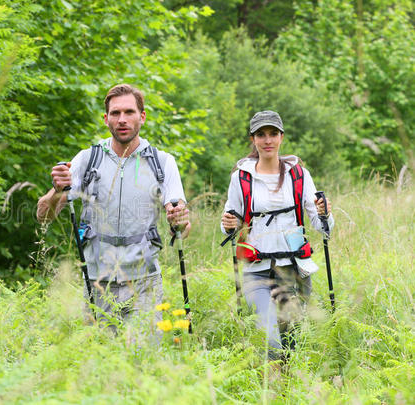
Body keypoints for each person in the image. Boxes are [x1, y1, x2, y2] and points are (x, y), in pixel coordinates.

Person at [37, 84, 191, 333]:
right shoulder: (87, 159)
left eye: (129, 112)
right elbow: (43, 215)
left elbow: (182, 229)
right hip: (97, 283)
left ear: (142, 117)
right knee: (102, 365)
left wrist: (180, 221)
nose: (122, 120)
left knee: (143, 362)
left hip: (145, 283)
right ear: (106, 118)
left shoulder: (162, 162)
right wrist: (57, 191)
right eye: (115, 113)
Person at [221, 110, 334, 361]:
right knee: (270, 339)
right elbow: (232, 222)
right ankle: (271, 393)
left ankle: (287, 392)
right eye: (261, 135)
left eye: (273, 134)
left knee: (292, 341)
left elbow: (320, 224)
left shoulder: (299, 175)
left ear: (282, 137)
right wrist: (229, 225)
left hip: (293, 268)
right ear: (253, 139)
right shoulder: (241, 177)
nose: (268, 140)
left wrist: (324, 213)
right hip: (257, 269)